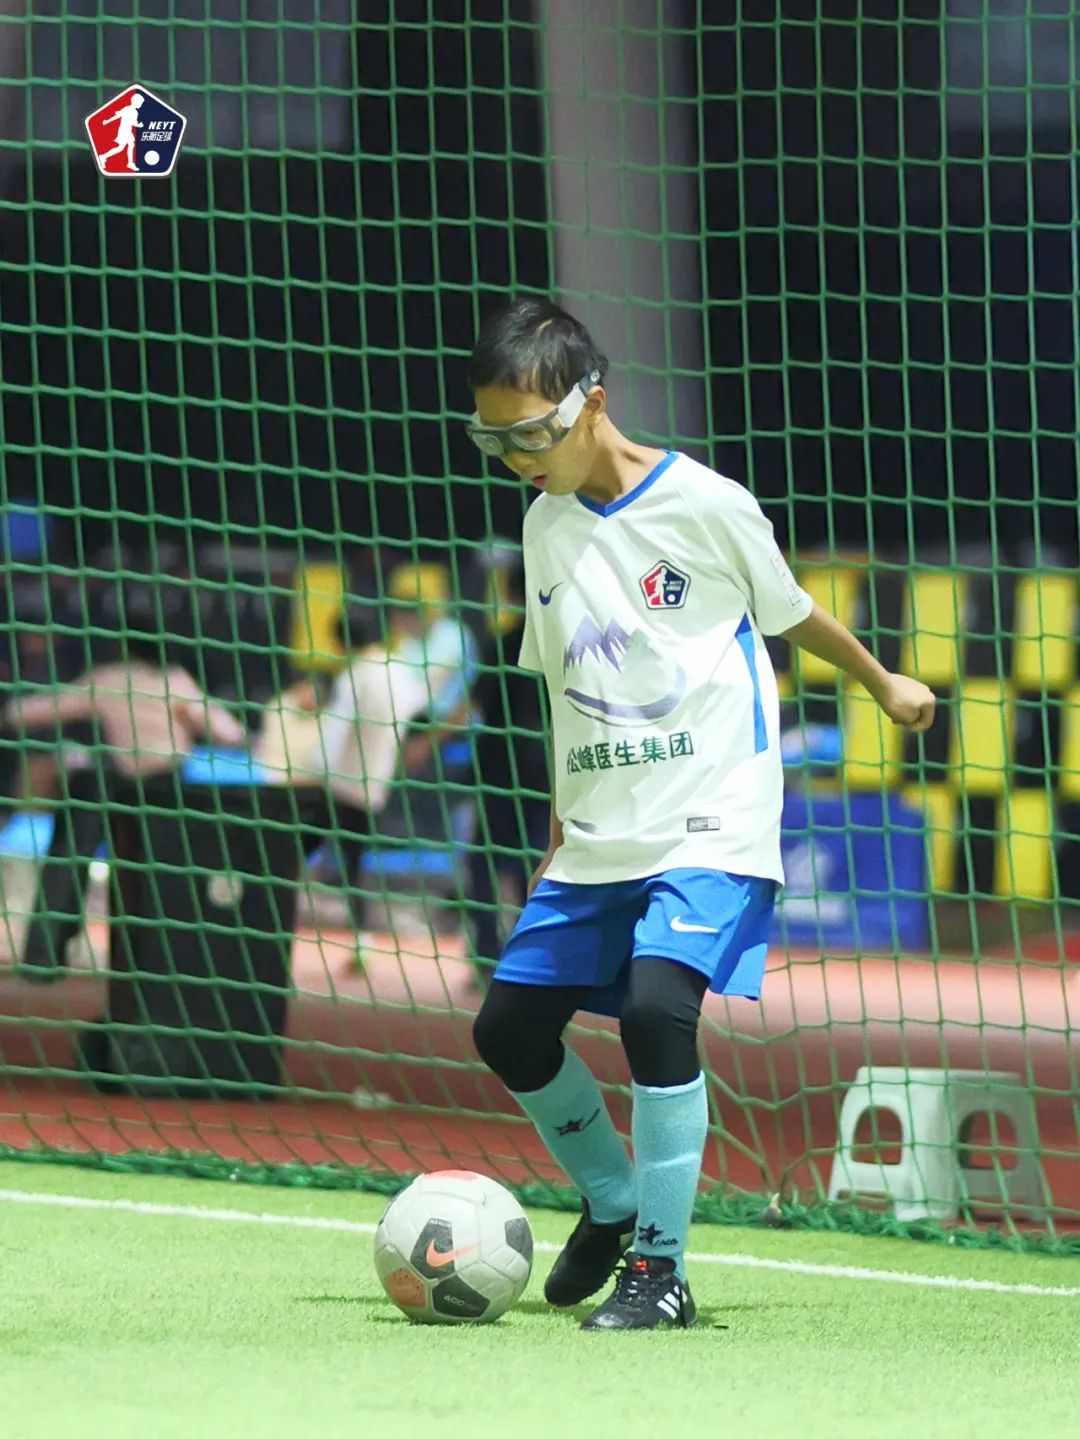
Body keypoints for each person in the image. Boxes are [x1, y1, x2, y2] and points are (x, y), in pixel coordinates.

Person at [465, 297, 936, 1331]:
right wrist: (557, 834)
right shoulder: (543, 526)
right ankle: (613, 1196)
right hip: (602, 825)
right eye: (492, 440)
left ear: (592, 403)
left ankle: (662, 1268)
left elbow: (791, 611)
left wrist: (883, 680)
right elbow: (565, 694)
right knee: (508, 1028)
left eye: (530, 434)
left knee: (654, 1008)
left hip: (714, 811)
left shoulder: (707, 503)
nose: (515, 459)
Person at [3, 633, 246, 977]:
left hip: (134, 786)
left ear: (124, 648)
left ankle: (43, 956)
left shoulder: (113, 678)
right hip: (160, 789)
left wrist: (10, 710)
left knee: (71, 853)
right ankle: (166, 959)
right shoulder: (175, 681)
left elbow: (32, 711)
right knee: (166, 871)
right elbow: (229, 733)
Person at [312, 564, 477, 934]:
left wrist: (422, 743)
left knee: (458, 827)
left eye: (409, 607)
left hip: (449, 744)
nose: (401, 615)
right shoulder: (402, 644)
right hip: (400, 744)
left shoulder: (453, 638)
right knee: (363, 835)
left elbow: (445, 700)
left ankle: (457, 896)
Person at [466, 550, 550, 985]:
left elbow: (474, 705)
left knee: (485, 863)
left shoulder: (502, 643)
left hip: (501, 766)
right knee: (533, 863)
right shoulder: (561, 644)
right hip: (548, 769)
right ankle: (527, 959)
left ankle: (487, 955)